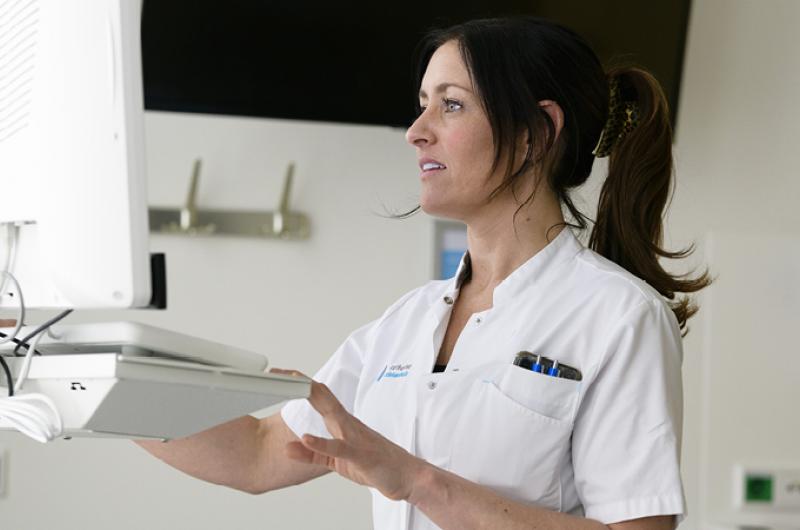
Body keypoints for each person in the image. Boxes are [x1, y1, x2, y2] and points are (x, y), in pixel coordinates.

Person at [138, 16, 710, 530]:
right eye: (422, 103)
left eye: (451, 104)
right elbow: (259, 453)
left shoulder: (621, 316)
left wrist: (417, 481)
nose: (416, 130)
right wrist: (100, 386)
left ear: (535, 133)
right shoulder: (405, 323)